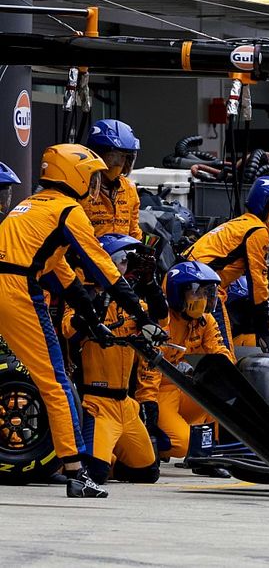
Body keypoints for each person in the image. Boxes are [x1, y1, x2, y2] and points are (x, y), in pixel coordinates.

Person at [0, 144, 166, 498]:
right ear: (73, 175)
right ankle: (76, 473)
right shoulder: (68, 210)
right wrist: (140, 315)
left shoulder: (32, 205)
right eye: (91, 177)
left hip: (10, 280)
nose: (94, 185)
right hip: (15, 289)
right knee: (56, 383)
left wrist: (92, 318)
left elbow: (61, 274)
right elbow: (101, 267)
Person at [62, 234, 165, 485]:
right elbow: (68, 330)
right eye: (120, 259)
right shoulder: (81, 298)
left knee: (148, 473)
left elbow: (160, 317)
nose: (124, 267)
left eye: (126, 261)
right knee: (95, 474)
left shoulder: (130, 303)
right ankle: (94, 459)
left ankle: (109, 458)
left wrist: (150, 283)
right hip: (97, 403)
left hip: (125, 404)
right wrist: (95, 300)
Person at [183, 176, 269, 351]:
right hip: (202, 289)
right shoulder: (258, 231)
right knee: (223, 352)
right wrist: (264, 330)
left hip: (187, 284)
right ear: (263, 203)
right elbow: (258, 284)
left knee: (196, 347)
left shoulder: (242, 223)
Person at [156, 261, 235, 463]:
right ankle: (152, 442)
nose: (203, 299)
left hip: (185, 389)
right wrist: (147, 405)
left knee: (218, 388)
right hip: (160, 391)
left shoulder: (206, 321)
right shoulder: (162, 320)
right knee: (181, 444)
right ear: (178, 293)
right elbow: (148, 371)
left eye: (206, 293)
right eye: (196, 292)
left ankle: (208, 447)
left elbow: (221, 354)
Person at [82, 119, 142, 239]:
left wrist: (140, 247)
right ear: (97, 154)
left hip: (122, 249)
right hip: (89, 249)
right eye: (113, 156)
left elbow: (134, 231)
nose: (118, 163)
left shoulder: (129, 189)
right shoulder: (81, 187)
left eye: (123, 157)